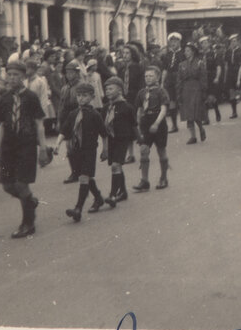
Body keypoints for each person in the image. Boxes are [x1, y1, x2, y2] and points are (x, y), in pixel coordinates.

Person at [0, 60, 50, 238]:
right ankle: (30, 201)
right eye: (9, 75)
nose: (11, 78)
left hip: (26, 145)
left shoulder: (31, 97)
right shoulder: (4, 98)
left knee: (21, 183)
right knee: (7, 185)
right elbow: (2, 124)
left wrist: (42, 148)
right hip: (8, 146)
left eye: (16, 75)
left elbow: (39, 123)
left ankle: (28, 223)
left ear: (23, 77)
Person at [59, 82, 107, 222]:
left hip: (89, 150)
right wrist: (57, 144)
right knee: (86, 177)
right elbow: (65, 130)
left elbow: (104, 134)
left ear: (92, 97)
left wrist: (105, 149)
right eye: (78, 95)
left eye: (84, 96)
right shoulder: (73, 114)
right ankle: (98, 198)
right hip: (76, 150)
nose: (81, 98)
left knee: (83, 178)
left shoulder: (95, 114)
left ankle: (78, 208)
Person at [133, 65, 170, 191]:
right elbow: (138, 110)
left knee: (161, 150)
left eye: (151, 76)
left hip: (158, 123)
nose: (148, 78)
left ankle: (163, 177)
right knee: (143, 150)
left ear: (158, 77)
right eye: (146, 76)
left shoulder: (161, 91)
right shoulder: (142, 93)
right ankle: (144, 180)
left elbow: (164, 108)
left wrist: (157, 123)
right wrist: (137, 125)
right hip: (145, 122)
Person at [101, 76, 137, 204]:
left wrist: (139, 139)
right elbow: (103, 129)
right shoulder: (106, 108)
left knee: (116, 165)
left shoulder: (127, 107)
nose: (108, 91)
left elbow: (134, 125)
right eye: (106, 89)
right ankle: (123, 191)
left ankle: (112, 195)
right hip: (112, 140)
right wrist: (104, 147)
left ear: (120, 91)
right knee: (117, 166)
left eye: (111, 89)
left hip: (123, 140)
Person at [176, 41, 208, 144]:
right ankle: (193, 136)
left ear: (193, 52)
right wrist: (179, 92)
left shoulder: (199, 62)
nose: (186, 52)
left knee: (195, 112)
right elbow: (179, 79)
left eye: (188, 50)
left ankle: (201, 128)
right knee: (188, 113)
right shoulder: (182, 65)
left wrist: (204, 91)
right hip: (186, 89)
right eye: (185, 51)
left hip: (196, 88)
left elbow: (203, 78)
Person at [160, 32, 184, 133]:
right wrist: (162, 82)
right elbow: (165, 69)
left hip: (181, 78)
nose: (173, 43)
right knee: (172, 102)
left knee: (184, 100)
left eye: (175, 41)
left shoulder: (183, 53)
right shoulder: (167, 55)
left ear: (179, 42)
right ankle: (174, 125)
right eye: (171, 41)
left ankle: (193, 121)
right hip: (170, 79)